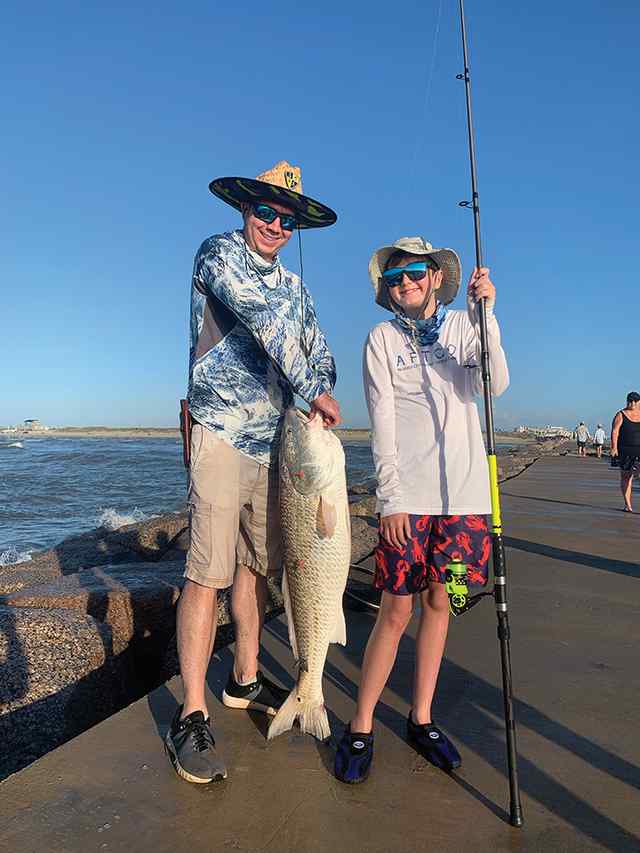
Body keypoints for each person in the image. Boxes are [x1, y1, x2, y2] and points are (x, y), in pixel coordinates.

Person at [165, 161, 341, 784]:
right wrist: (314, 387)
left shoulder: (298, 289)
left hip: (278, 450)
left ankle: (243, 676)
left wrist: (321, 385)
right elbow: (264, 324)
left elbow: (322, 354)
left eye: (285, 219)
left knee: (256, 565)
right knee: (206, 571)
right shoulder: (218, 254)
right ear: (245, 211)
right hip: (218, 433)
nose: (273, 225)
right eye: (264, 213)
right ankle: (191, 712)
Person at [334, 236, 509, 784]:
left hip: (464, 501)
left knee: (441, 601)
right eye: (395, 276)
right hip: (408, 502)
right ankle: (361, 723)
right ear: (386, 288)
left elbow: (495, 382)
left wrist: (487, 316)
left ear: (435, 276)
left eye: (415, 272)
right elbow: (381, 425)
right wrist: (391, 499)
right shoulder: (380, 341)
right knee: (396, 610)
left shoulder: (464, 326)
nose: (405, 282)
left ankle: (422, 716)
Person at [610, 392, 640, 513]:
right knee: (626, 477)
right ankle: (628, 504)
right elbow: (615, 431)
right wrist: (614, 448)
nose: (632, 403)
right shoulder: (621, 414)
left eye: (635, 401)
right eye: (630, 401)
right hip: (625, 450)